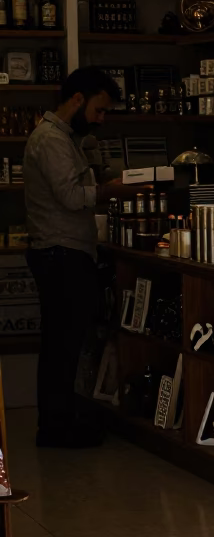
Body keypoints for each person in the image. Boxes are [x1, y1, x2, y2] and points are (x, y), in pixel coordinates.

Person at [24, 67, 137, 448]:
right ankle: (55, 428)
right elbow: (72, 198)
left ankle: (59, 422)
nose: (101, 118)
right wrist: (112, 190)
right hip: (61, 255)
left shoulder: (67, 139)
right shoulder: (52, 141)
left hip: (65, 252)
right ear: (77, 99)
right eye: (99, 109)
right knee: (62, 345)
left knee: (65, 343)